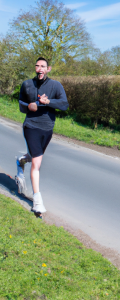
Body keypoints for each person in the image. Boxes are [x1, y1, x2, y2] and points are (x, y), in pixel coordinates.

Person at [15, 57, 69, 217]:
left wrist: (49, 101)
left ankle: (20, 161)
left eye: (43, 66)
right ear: (35, 68)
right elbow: (21, 105)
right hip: (31, 126)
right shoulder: (27, 84)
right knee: (37, 163)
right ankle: (37, 202)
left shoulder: (56, 85)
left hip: (47, 129)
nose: (40, 68)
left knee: (33, 158)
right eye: (37, 66)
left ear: (48, 69)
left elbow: (64, 105)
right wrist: (28, 106)